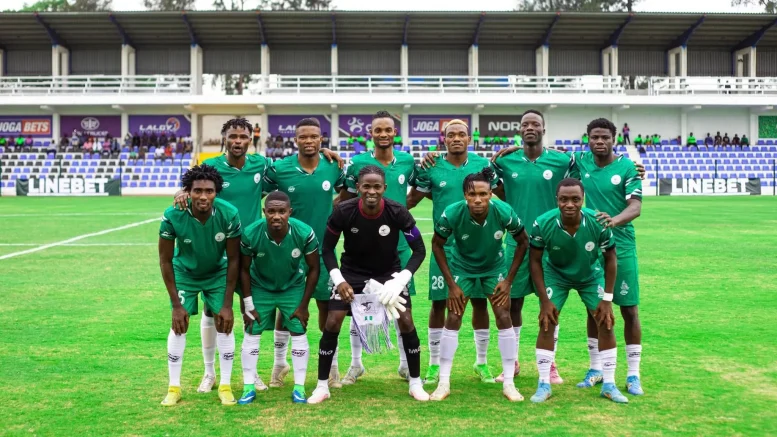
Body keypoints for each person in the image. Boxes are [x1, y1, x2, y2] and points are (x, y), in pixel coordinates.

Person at [174, 118, 342, 393]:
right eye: (233, 136)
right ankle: (209, 372)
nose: (238, 141)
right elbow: (193, 186)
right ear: (224, 138)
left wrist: (326, 153)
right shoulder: (211, 167)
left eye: (243, 136)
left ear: (251, 139)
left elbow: (297, 174)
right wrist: (181, 193)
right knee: (212, 309)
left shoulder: (261, 165)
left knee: (247, 310)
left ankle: (251, 373)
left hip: (251, 246)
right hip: (218, 248)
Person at [309, 165, 429, 403]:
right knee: (332, 322)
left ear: (384, 188)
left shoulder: (397, 211)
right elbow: (327, 249)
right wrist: (339, 280)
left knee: (406, 321)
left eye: (376, 187)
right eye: (366, 186)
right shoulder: (344, 211)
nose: (371, 191)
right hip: (351, 274)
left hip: (388, 275)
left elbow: (419, 250)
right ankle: (322, 385)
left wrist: (400, 280)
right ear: (358, 188)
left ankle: (415, 382)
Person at [407, 119, 499, 385]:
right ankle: (434, 364)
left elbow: (501, 191)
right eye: (451, 135)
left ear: (469, 139)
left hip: (479, 248)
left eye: (462, 134)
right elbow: (412, 199)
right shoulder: (432, 167)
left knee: (480, 302)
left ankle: (481, 362)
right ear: (443, 139)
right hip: (444, 249)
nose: (456, 138)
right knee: (439, 303)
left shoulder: (483, 167)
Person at [429, 168, 530, 402]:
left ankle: (509, 383)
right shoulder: (453, 213)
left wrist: (508, 281)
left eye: (483, 194)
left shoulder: (503, 211)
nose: (478, 199)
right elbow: (437, 245)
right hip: (462, 268)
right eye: (472, 194)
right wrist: (451, 284)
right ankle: (444, 382)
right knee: (453, 316)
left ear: (490, 194)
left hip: (493, 269)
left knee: (504, 316)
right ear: (465, 195)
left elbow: (523, 242)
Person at [336, 110, 419, 384]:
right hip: (362, 248)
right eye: (378, 130)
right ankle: (356, 364)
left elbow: (418, 192)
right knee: (356, 306)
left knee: (401, 307)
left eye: (388, 130)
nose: (383, 134)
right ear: (370, 134)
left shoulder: (407, 161)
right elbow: (345, 199)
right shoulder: (358, 162)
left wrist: (401, 214)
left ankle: (406, 365)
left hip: (398, 250)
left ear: (395, 133)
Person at [263, 118, 346, 390]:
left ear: (321, 139)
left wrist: (330, 208)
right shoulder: (280, 169)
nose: (308, 141)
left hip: (324, 250)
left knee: (326, 307)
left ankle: (331, 367)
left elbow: (349, 189)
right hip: (289, 252)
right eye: (303, 137)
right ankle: (279, 364)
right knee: (286, 306)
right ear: (295, 140)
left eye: (314, 137)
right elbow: (255, 190)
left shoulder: (332, 166)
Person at [528, 178, 627, 404]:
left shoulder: (597, 221)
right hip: (556, 274)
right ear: (557, 200)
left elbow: (611, 259)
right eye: (564, 199)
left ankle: (609, 384)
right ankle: (544, 383)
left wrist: (607, 299)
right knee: (547, 321)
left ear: (583, 200)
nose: (569, 204)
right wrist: (544, 300)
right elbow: (534, 261)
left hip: (590, 275)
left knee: (606, 321)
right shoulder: (543, 222)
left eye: (575, 199)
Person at [158, 164, 242, 407]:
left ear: (217, 193)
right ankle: (174, 388)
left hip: (217, 272)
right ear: (187, 192)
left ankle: (225, 385)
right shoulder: (173, 214)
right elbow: (165, 260)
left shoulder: (229, 213)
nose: (203, 196)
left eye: (209, 191)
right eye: (197, 191)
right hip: (185, 272)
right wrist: (176, 304)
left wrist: (227, 304)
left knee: (225, 324)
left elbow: (234, 258)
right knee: (179, 325)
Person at [573, 118, 644, 397]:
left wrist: (614, 221)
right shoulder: (580, 161)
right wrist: (504, 151)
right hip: (593, 246)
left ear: (614, 139)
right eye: (594, 137)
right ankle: (596, 368)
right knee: (595, 308)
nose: (599, 142)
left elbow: (636, 206)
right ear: (587, 139)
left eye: (604, 137)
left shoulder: (626, 167)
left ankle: (633, 374)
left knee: (628, 309)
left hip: (622, 246)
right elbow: (548, 156)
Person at [238, 191, 319, 405]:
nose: (276, 216)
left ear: (289, 212)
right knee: (252, 332)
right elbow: (243, 270)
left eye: (282, 211)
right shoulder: (251, 233)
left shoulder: (304, 232)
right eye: (271, 211)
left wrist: (304, 305)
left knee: (299, 331)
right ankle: (248, 387)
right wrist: (248, 303)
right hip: (260, 286)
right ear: (264, 212)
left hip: (292, 286)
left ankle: (299, 388)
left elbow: (314, 269)